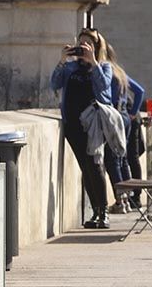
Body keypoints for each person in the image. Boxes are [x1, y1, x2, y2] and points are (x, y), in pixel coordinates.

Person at [49, 28, 114, 229]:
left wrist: (93, 62)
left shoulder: (103, 67)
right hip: (73, 124)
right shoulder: (70, 68)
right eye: (81, 43)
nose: (83, 47)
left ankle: (104, 212)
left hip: (94, 123)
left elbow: (104, 88)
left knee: (96, 165)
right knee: (85, 167)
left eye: (87, 44)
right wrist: (62, 61)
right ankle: (95, 211)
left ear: (95, 48)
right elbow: (54, 83)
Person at [106, 43, 145, 206]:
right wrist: (132, 112)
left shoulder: (107, 71)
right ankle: (131, 197)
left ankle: (122, 199)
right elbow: (139, 91)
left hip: (115, 116)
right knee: (124, 159)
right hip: (126, 117)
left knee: (114, 160)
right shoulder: (119, 71)